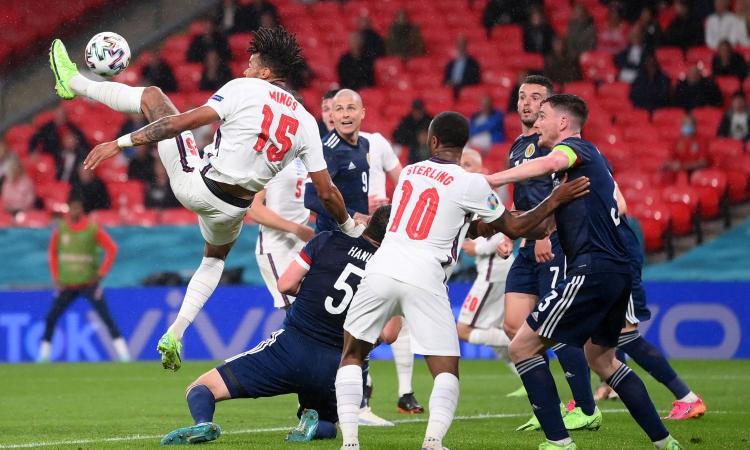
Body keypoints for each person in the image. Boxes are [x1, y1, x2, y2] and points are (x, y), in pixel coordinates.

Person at [50, 26, 362, 372]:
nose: (245, 69)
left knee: (153, 98)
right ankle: (175, 332)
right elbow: (326, 191)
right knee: (214, 260)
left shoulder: (244, 88)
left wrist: (119, 143)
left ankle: (73, 83)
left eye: (251, 63)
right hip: (235, 210)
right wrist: (350, 229)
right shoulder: (305, 121)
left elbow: (175, 124)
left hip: (199, 186)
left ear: (265, 73)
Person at [334, 111, 589, 450]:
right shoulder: (473, 183)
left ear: (432, 141)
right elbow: (513, 228)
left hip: (382, 266)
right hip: (425, 275)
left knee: (352, 353)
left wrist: (471, 224)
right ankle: (432, 442)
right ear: (463, 144)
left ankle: (349, 443)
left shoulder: (410, 172)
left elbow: (436, 213)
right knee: (445, 371)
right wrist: (554, 201)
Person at [485, 93, 683, 450]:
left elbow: (548, 163)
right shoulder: (577, 174)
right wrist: (500, 226)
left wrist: (491, 179)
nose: (538, 123)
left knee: (522, 348)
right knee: (602, 360)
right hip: (614, 271)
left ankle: (559, 442)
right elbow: (543, 222)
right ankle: (665, 442)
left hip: (591, 269)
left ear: (563, 122)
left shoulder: (578, 150)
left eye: (543, 115)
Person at [159, 206, 394, 445]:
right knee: (329, 423)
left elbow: (286, 285)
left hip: (289, 349)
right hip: (337, 362)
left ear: (369, 222)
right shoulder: (391, 270)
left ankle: (202, 423)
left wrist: (313, 293)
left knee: (202, 388)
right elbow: (390, 334)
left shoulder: (327, 240)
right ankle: (312, 425)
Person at [502, 76, 601, 433]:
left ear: (549, 108)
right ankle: (551, 403)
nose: (527, 104)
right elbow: (518, 192)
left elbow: (562, 191)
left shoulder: (553, 145)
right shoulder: (519, 144)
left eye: (535, 99)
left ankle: (586, 407)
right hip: (526, 244)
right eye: (522, 97)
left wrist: (547, 232)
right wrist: (506, 230)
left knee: (555, 327)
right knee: (513, 325)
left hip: (551, 244)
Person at [317, 90, 419, 416]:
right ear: (329, 114)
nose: (342, 114)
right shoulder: (325, 150)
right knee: (344, 323)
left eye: (350, 108)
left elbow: (401, 180)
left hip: (372, 236)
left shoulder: (370, 144)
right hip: (343, 239)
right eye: (336, 108)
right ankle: (353, 400)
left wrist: (389, 210)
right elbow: (315, 198)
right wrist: (353, 217)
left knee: (388, 324)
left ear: (363, 112)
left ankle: (380, 390)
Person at [592, 196, 706, 420]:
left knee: (626, 336)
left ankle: (687, 397)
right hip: (605, 263)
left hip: (619, 262)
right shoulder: (585, 174)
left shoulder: (595, 170)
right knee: (601, 335)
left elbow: (621, 205)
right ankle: (603, 389)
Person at [38, 197, 129, 363]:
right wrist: (56, 276)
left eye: (77, 208)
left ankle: (124, 355)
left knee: (106, 317)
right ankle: (43, 356)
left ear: (82, 210)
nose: (74, 211)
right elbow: (52, 253)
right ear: (68, 209)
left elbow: (112, 249)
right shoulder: (61, 230)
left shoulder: (92, 228)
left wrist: (101, 274)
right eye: (72, 208)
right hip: (67, 284)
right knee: (51, 317)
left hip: (89, 283)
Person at [456, 149, 515, 363]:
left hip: (493, 272)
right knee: (495, 329)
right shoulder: (463, 194)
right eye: (460, 163)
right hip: (493, 270)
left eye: (468, 164)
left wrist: (478, 248)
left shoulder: (486, 194)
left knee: (462, 329)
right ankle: (527, 381)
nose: (463, 168)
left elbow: (504, 226)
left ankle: (525, 341)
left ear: (481, 170)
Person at [248, 158, 314, 309]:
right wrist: (295, 228)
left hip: (302, 246)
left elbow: (298, 202)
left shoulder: (302, 157)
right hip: (277, 247)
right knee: (299, 311)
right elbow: (253, 208)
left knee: (311, 311)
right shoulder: (267, 158)